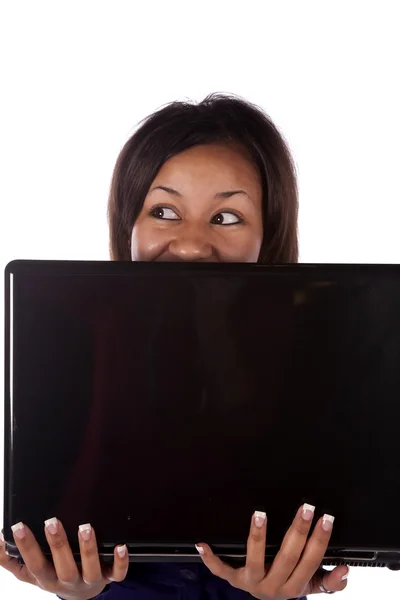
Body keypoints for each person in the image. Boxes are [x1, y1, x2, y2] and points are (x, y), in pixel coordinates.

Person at [0, 93, 350, 599]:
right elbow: (68, 509)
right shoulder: (78, 337)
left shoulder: (319, 349)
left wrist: (290, 585)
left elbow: (325, 509)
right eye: (164, 210)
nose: (191, 244)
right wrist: (73, 584)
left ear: (266, 237)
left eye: (227, 217)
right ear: (130, 226)